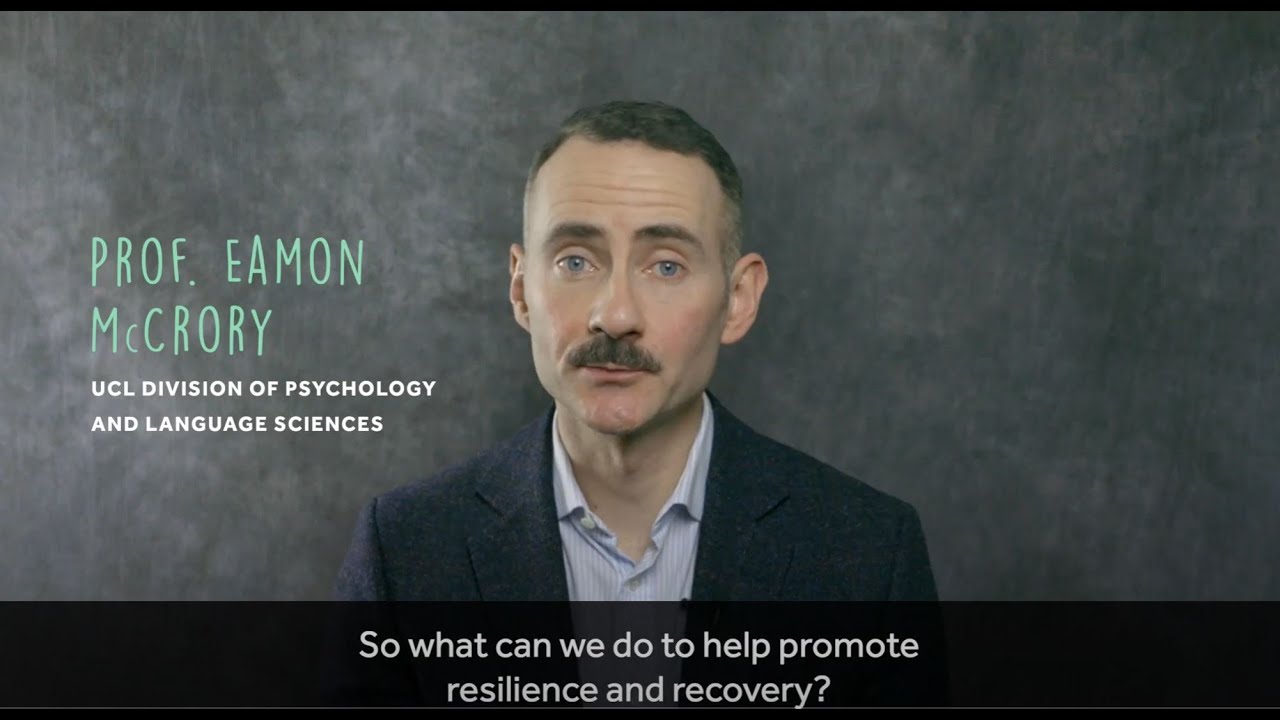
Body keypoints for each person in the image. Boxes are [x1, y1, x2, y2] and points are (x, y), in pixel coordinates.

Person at [332, 100, 939, 604]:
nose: (616, 316)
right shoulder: (401, 552)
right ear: (520, 291)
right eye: (576, 261)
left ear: (738, 299)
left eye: (666, 266)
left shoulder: (870, 555)